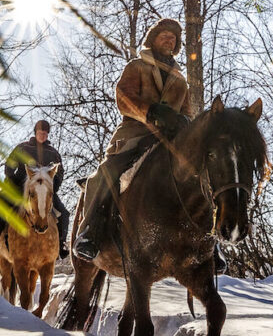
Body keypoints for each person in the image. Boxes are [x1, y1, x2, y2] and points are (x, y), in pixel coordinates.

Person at [72, 17, 197, 261]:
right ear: (153, 39)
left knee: (199, 174)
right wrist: (150, 111)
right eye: (165, 36)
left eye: (174, 38)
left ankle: (210, 245)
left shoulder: (181, 80)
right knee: (107, 173)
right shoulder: (136, 66)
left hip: (171, 142)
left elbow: (188, 113)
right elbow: (123, 98)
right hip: (135, 135)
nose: (169, 40)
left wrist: (185, 122)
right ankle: (89, 233)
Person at [0, 119, 70, 261]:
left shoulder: (53, 153)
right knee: (0, 209)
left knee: (64, 213)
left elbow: (60, 172)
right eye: (40, 133)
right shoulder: (23, 148)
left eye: (45, 134)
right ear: (35, 133)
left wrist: (54, 186)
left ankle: (61, 244)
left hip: (43, 192)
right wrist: (12, 180)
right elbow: (9, 165)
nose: (43, 136)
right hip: (19, 188)